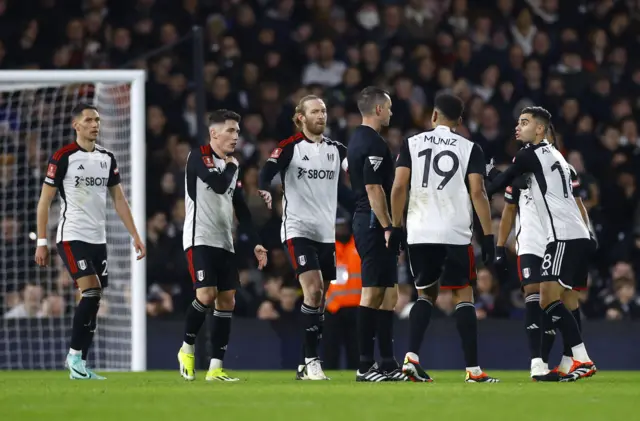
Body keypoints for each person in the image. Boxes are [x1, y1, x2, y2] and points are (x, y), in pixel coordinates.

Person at [388, 93, 499, 383]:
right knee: (463, 294)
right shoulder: (469, 148)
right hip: (454, 232)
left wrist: (395, 225)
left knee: (426, 293)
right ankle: (473, 370)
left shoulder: (411, 143)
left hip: (420, 231)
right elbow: (478, 192)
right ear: (460, 121)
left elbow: (399, 186)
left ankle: (411, 357)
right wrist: (488, 235)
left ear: (433, 116)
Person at [34, 103, 146, 380]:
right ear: (77, 125)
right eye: (89, 120)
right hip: (72, 236)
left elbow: (118, 199)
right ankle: (73, 356)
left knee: (94, 301)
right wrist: (41, 241)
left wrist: (135, 235)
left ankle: (81, 364)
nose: (95, 124)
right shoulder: (63, 157)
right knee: (92, 291)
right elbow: (44, 202)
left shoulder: (107, 157)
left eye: (97, 120)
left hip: (99, 239)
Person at [487, 106, 597, 381]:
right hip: (572, 235)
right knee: (554, 298)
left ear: (539, 129)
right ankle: (574, 359)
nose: (518, 127)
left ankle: (580, 359)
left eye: (524, 123)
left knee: (548, 299)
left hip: (562, 236)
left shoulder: (529, 154)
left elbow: (500, 182)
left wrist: (481, 178)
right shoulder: (557, 156)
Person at [258, 95, 349, 380]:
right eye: (314, 112)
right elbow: (267, 170)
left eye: (323, 111)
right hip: (297, 229)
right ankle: (312, 360)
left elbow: (354, 178)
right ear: (301, 118)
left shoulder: (337, 150)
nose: (321, 116)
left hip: (325, 232)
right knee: (312, 290)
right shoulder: (290, 148)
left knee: (318, 298)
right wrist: (264, 188)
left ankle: (303, 363)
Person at [177, 109, 268, 382]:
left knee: (227, 301)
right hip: (199, 238)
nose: (235, 136)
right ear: (214, 133)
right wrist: (230, 165)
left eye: (237, 131)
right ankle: (187, 347)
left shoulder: (233, 165)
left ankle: (215, 367)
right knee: (206, 295)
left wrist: (255, 243)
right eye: (230, 130)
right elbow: (217, 185)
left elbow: (239, 205)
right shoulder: (198, 156)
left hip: (224, 241)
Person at [347, 86, 406, 382]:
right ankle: (364, 365)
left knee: (389, 294)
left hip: (374, 221)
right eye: (390, 107)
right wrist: (387, 227)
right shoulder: (371, 142)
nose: (392, 112)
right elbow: (373, 188)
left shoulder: (359, 138)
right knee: (371, 292)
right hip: (372, 222)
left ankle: (387, 363)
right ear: (379, 109)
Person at [323, 212, 361, 370]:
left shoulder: (359, 243)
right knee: (330, 352)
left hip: (357, 306)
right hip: (332, 307)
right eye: (337, 226)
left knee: (356, 351)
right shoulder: (327, 247)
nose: (341, 229)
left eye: (343, 225)